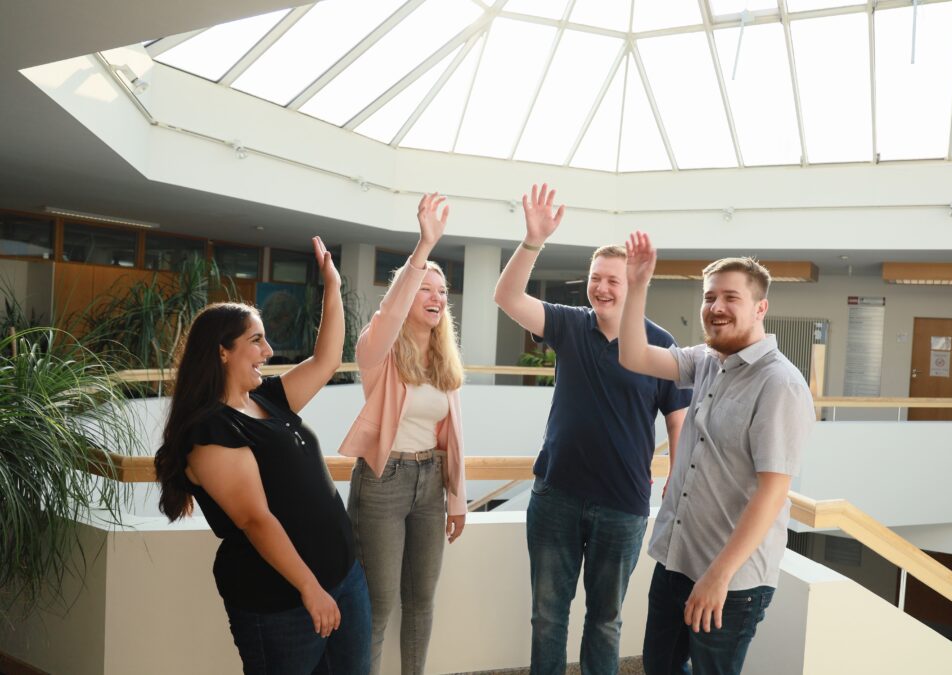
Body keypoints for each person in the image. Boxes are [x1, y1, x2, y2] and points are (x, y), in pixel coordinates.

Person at [494, 184, 690, 675]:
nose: (601, 288)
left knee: (605, 621)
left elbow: (679, 422)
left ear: (632, 285)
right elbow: (507, 297)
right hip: (556, 495)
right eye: (595, 278)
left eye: (613, 281)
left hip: (623, 506)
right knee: (547, 618)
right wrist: (533, 240)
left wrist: (679, 482)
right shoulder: (567, 324)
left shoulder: (660, 344)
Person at [154, 236, 370, 675]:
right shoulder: (210, 431)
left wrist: (332, 285)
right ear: (222, 351)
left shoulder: (268, 398)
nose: (268, 352)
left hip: (344, 578)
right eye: (256, 341)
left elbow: (327, 360)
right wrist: (310, 589)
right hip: (284, 602)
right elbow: (256, 519)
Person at [617, 231, 815, 675]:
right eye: (709, 298)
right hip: (677, 559)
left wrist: (719, 577)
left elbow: (772, 493)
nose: (716, 308)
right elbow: (632, 356)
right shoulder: (708, 359)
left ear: (760, 308)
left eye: (731, 297)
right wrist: (638, 284)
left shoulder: (779, 384)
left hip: (732, 580)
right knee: (659, 668)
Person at [338, 193, 467, 675]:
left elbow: (452, 438)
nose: (436, 297)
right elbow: (388, 317)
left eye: (441, 291)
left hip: (430, 483)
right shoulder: (378, 350)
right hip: (383, 480)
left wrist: (457, 498)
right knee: (380, 603)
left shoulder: (444, 359)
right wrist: (423, 248)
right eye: (425, 289)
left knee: (421, 601)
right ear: (404, 297)